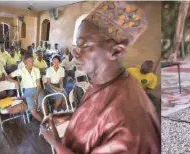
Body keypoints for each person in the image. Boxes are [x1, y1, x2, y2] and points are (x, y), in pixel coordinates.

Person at [39, 2, 160, 153]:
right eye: (76, 45)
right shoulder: (102, 82)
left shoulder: (130, 122)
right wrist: (57, 118)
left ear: (115, 51)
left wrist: (54, 142)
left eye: (84, 45)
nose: (75, 52)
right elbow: (91, 117)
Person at [6, 54, 44, 122]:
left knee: (43, 108)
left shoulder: (36, 70)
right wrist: (15, 82)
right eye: (29, 61)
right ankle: (46, 125)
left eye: (32, 61)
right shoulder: (21, 70)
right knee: (34, 112)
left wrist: (35, 97)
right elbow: (7, 77)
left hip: (38, 90)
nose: (31, 63)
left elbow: (39, 86)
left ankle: (50, 124)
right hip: (27, 92)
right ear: (25, 62)